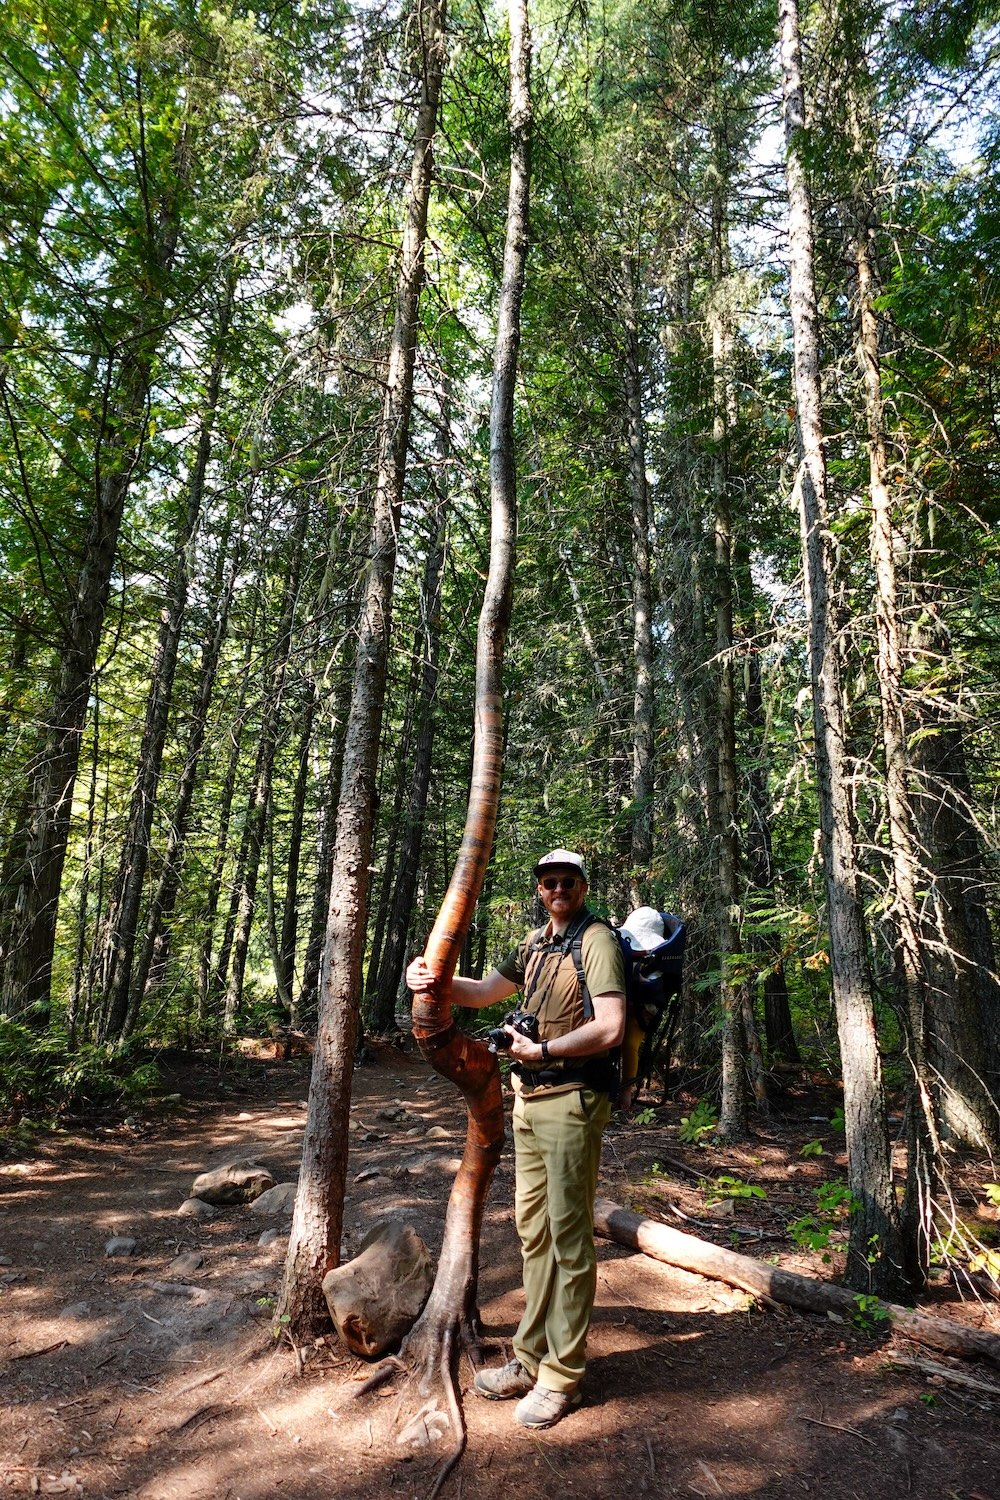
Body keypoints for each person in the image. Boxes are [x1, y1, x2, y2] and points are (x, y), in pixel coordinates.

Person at [406, 848, 625, 1430]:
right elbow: (479, 993)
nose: (557, 889)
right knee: (533, 1233)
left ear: (582, 886)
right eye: (548, 882)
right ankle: (529, 1358)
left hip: (572, 1100)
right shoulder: (533, 944)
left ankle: (563, 1377)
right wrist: (430, 978)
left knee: (568, 1238)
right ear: (539, 889)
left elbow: (610, 1025)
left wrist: (543, 1051)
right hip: (528, 1102)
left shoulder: (596, 941)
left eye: (567, 881)